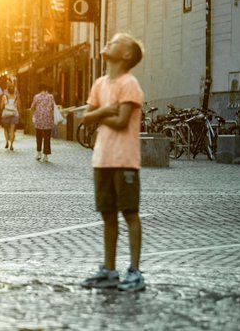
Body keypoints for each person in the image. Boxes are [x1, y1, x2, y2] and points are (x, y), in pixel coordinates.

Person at [79, 32, 146, 292]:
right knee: (107, 215)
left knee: (130, 213)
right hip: (103, 159)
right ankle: (109, 270)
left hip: (124, 159)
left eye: (115, 42)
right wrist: (105, 111)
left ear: (126, 55)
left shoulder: (129, 84)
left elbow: (120, 123)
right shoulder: (100, 83)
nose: (109, 43)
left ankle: (135, 271)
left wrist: (97, 115)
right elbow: (86, 118)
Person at [30, 84, 55, 161]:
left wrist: (35, 114)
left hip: (39, 120)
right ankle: (46, 155)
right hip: (48, 119)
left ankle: (38, 153)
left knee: (39, 137)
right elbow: (53, 107)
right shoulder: (50, 97)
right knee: (47, 138)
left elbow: (32, 107)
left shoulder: (36, 97)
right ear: (46, 89)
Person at [0, 84, 20, 151]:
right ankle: (11, 145)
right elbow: (19, 107)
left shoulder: (4, 97)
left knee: (6, 129)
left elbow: (1, 106)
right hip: (14, 114)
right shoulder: (17, 97)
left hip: (5, 114)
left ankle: (6, 142)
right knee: (12, 130)